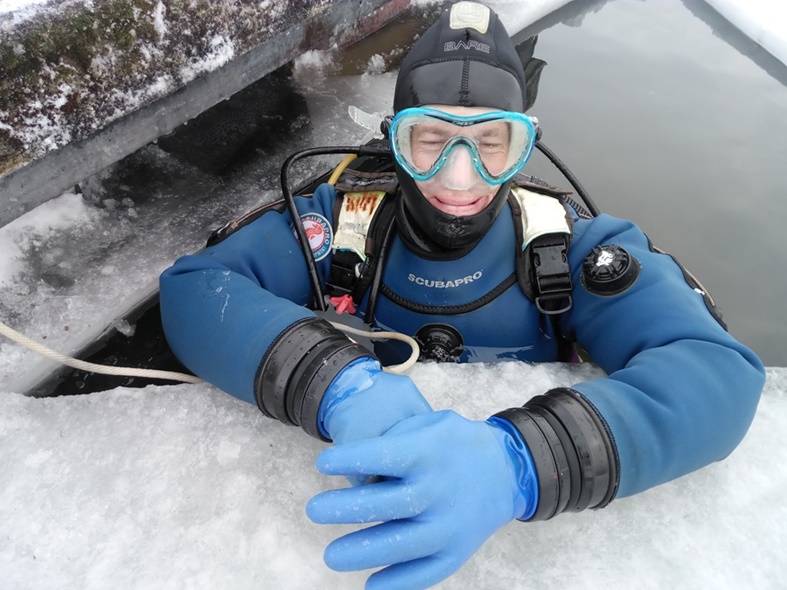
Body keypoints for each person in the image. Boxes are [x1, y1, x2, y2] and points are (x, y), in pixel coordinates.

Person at [159, 2, 765, 589]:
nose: (458, 176)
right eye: (429, 139)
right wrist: (334, 384)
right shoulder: (343, 225)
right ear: (394, 138)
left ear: (524, 147)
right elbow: (196, 290)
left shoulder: (569, 251)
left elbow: (718, 372)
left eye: (492, 143)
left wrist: (523, 463)